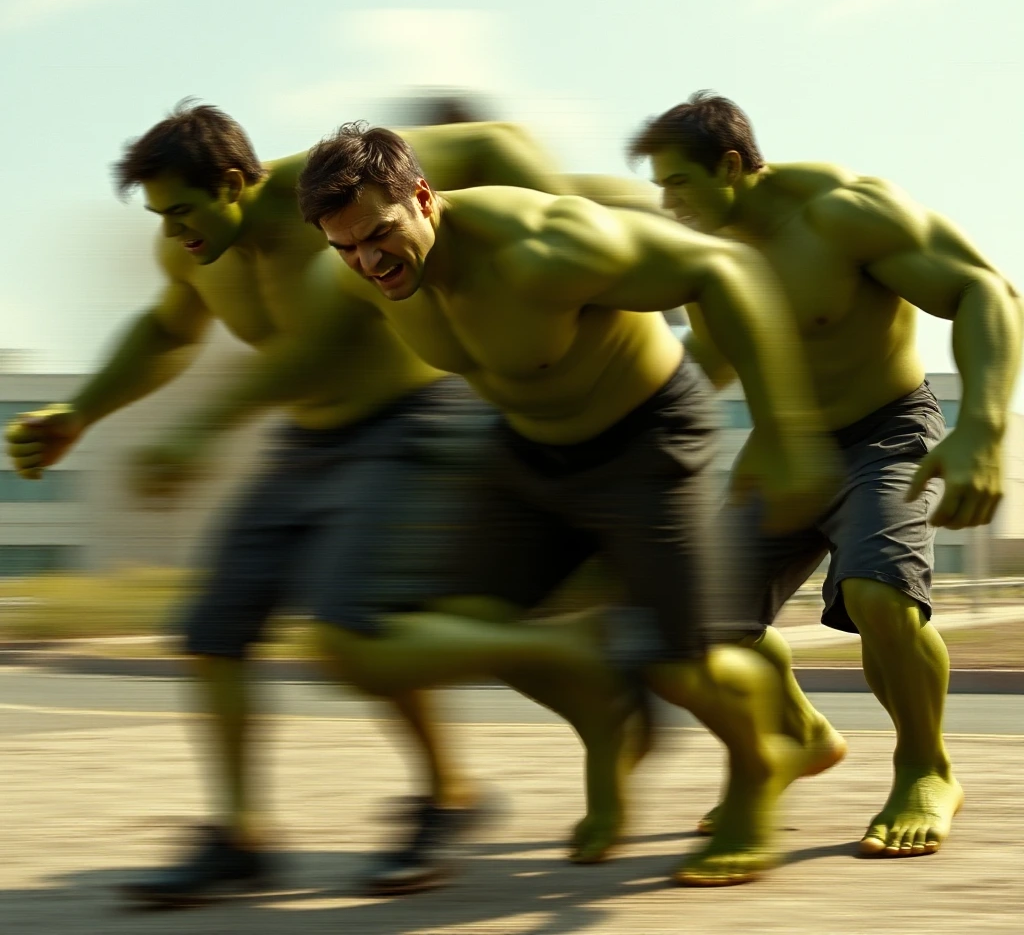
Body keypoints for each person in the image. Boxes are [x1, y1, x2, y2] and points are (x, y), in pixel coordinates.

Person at [3, 102, 648, 903]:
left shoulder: (322, 193)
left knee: (354, 628)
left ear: (237, 182)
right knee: (214, 628)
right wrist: (82, 412)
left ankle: (454, 794)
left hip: (413, 424)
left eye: (184, 212)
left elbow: (490, 142)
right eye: (160, 217)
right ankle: (241, 838)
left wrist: (567, 243)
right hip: (307, 440)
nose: (173, 234)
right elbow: (168, 332)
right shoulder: (193, 251)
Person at [293, 122, 840, 886]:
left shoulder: (541, 245)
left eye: (380, 235)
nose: (368, 261)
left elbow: (725, 268)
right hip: (527, 448)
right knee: (474, 624)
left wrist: (787, 431)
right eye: (344, 247)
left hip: (644, 437)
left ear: (422, 197)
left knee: (683, 667)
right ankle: (607, 730)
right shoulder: (355, 273)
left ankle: (763, 766)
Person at [629, 90, 1022, 858]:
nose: (667, 204)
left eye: (678, 184)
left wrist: (982, 429)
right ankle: (799, 736)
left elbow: (985, 290)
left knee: (878, 592)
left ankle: (926, 768)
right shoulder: (706, 258)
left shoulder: (842, 212)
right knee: (699, 627)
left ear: (734, 166)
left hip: (887, 431)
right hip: (783, 447)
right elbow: (708, 363)